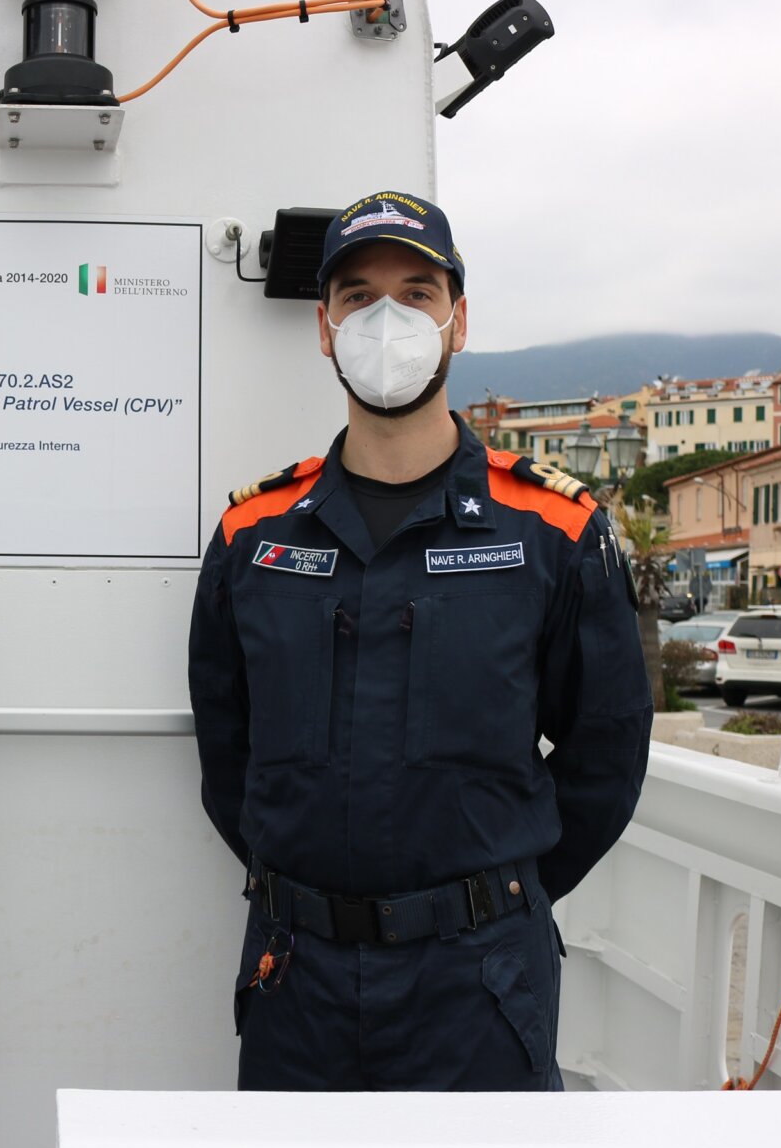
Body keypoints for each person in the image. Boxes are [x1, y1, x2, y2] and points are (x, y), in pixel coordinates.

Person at [187, 192, 652, 1092]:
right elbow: (227, 755)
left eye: (416, 290)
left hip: (480, 982)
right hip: (297, 978)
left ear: (458, 320)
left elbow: (606, 756)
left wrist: (489, 895)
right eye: (357, 296)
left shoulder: (553, 530)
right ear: (324, 329)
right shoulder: (255, 533)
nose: (386, 317)